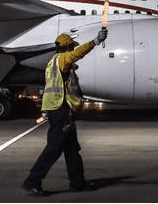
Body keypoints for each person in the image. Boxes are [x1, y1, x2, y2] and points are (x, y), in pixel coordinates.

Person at [23, 28, 108, 196]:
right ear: (66, 48)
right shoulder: (62, 59)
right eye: (71, 47)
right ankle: (33, 180)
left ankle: (78, 183)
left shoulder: (54, 62)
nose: (72, 50)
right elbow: (77, 54)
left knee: (71, 149)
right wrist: (96, 41)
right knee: (54, 148)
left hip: (61, 109)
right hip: (60, 109)